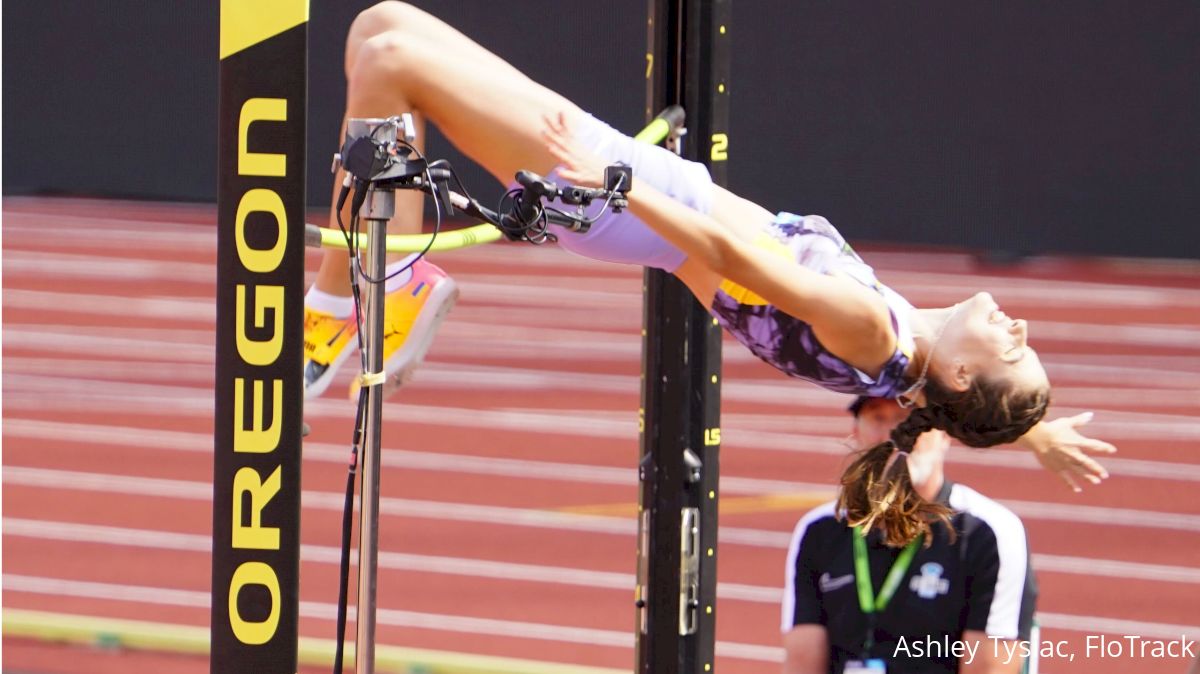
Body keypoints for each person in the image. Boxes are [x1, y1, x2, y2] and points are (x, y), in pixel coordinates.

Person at [305, 2, 1116, 543]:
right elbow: (945, 399)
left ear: (966, 370)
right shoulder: (907, 363)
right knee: (382, 25)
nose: (1019, 326)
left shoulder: (873, 330)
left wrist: (617, 183)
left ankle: (377, 288)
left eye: (1012, 350)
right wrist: (1028, 428)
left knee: (391, 61)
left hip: (626, 198)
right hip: (641, 193)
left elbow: (739, 261)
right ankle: (364, 287)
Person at [783, 396, 1038, 674]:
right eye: (878, 418)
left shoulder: (989, 532)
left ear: (944, 434)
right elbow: (802, 663)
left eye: (909, 419)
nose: (894, 435)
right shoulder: (820, 529)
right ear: (855, 432)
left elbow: (988, 667)